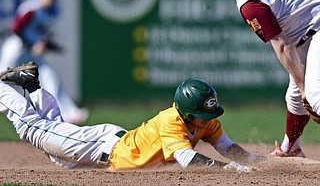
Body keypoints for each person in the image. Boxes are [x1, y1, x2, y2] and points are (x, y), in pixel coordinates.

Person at [0, 61, 264, 171]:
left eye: (208, 113)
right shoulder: (171, 121)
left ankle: (31, 86)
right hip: (97, 148)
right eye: (200, 114)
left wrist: (257, 162)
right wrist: (228, 169)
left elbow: (227, 147)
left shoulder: (205, 121)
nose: (207, 120)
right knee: (32, 129)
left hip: (106, 151)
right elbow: (187, 158)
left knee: (53, 140)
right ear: (185, 112)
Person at [192, 0, 320, 157]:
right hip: (308, 35)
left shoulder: (249, 1)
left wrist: (305, 86)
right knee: (295, 98)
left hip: (315, 31)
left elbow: (282, 46)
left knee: (314, 98)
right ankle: (290, 148)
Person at [0, 0, 88, 125]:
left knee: (49, 75)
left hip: (29, 49)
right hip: (16, 46)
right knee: (2, 75)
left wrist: (50, 46)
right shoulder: (31, 9)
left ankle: (69, 113)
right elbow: (16, 28)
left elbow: (40, 36)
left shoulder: (50, 11)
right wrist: (33, 44)